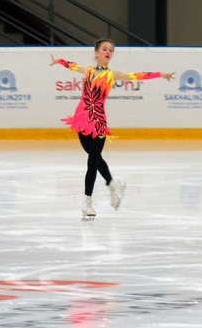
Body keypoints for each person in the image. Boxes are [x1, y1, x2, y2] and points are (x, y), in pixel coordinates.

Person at [50, 38, 175, 219]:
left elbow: (137, 76)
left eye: (111, 50)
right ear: (96, 52)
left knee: (92, 161)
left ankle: (87, 202)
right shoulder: (88, 71)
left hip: (98, 121)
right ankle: (112, 183)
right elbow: (72, 65)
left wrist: (160, 74)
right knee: (94, 156)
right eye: (105, 49)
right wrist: (59, 61)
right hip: (82, 119)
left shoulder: (113, 74)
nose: (108, 52)